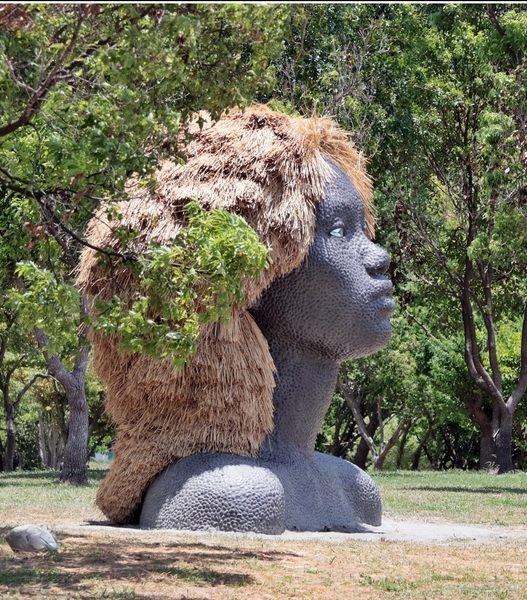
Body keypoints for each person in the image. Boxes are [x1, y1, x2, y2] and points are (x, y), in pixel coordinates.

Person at [76, 105, 392, 532]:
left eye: (363, 233)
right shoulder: (228, 491)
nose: (379, 257)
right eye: (337, 231)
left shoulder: (352, 489)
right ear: (252, 279)